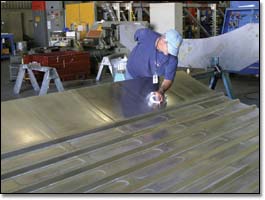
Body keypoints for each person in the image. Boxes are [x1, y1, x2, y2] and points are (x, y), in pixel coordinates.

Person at [126, 28, 183, 103]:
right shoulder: (146, 34)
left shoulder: (172, 59)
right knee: (130, 100)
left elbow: (168, 79)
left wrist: (161, 91)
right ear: (163, 40)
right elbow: (136, 37)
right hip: (132, 74)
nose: (168, 53)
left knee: (147, 103)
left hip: (150, 81)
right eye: (169, 49)